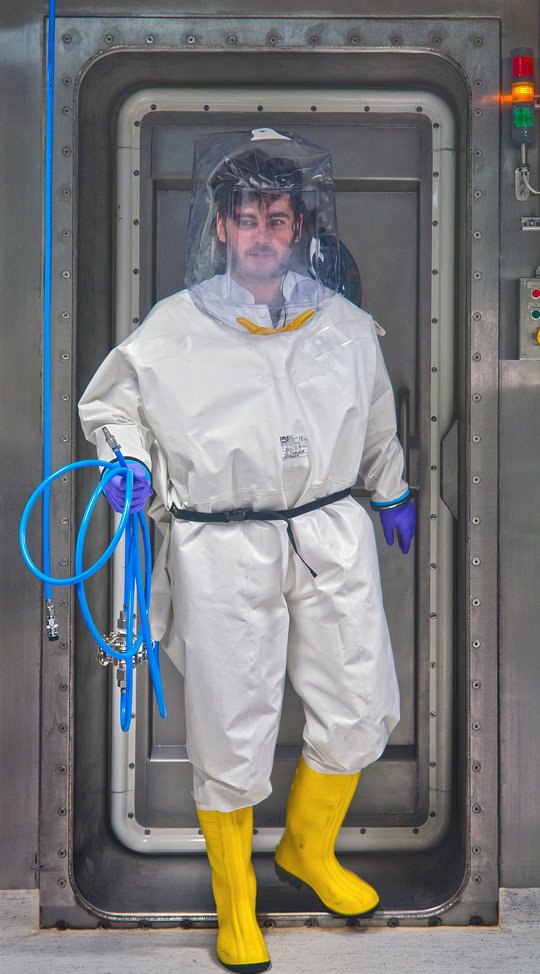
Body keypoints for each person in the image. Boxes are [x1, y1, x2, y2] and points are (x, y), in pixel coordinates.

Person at [79, 128, 416, 974]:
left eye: (277, 217)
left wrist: (394, 488)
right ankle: (238, 909)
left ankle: (309, 851)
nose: (264, 233)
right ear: (221, 227)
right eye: (247, 219)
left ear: (301, 225)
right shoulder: (173, 330)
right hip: (220, 547)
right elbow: (116, 412)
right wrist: (127, 468)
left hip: (330, 531)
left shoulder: (338, 322)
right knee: (231, 724)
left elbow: (376, 417)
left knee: (358, 701)